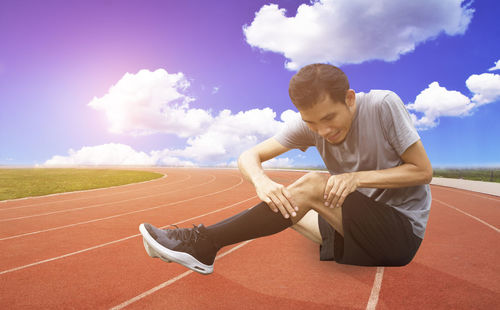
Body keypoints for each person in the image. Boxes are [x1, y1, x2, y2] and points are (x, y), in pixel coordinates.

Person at [139, 63, 433, 275]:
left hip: (401, 233)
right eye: (312, 123)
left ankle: (205, 242)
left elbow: (422, 172)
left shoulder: (383, 105)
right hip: (357, 227)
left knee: (313, 185)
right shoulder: (312, 125)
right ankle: (197, 248)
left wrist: (356, 178)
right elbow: (249, 155)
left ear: (350, 98)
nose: (323, 130)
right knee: (284, 203)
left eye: (329, 118)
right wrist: (261, 182)